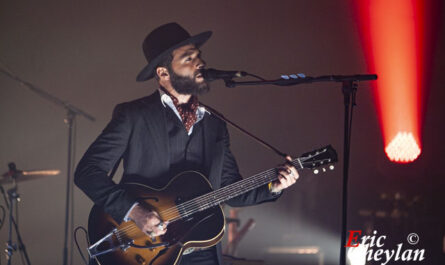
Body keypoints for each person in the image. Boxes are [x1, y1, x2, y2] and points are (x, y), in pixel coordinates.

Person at [74, 22, 299, 265]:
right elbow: (87, 172)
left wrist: (274, 186)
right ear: (163, 73)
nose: (200, 63)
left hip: (202, 250)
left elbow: (230, 189)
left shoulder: (215, 124)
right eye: (188, 58)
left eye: (199, 56)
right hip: (144, 248)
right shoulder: (134, 116)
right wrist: (135, 212)